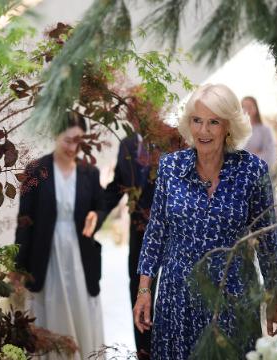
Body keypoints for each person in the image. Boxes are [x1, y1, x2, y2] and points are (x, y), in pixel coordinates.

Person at [132, 84, 277, 359]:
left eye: (213, 122)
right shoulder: (171, 168)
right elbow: (156, 232)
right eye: (197, 121)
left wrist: (275, 298)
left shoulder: (252, 171)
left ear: (228, 126)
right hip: (177, 298)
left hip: (233, 296)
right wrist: (144, 289)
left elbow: (268, 240)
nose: (203, 131)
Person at [13, 111, 106, 359]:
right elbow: (24, 222)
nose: (73, 147)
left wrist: (96, 216)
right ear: (55, 136)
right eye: (68, 140)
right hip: (46, 256)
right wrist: (18, 267)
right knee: (49, 313)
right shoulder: (36, 170)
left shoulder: (90, 173)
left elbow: (101, 205)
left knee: (82, 312)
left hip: (80, 258)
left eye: (78, 141)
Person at [104, 134, 157, 359]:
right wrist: (91, 211)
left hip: (172, 233)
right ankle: (144, 352)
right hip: (138, 233)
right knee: (137, 291)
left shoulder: (170, 138)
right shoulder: (126, 143)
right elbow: (118, 185)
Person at [242, 96, 277, 170]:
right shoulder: (237, 130)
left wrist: (249, 158)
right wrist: (256, 152)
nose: (246, 110)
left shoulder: (265, 130)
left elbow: (271, 155)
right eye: (243, 107)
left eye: (249, 106)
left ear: (256, 108)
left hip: (259, 175)